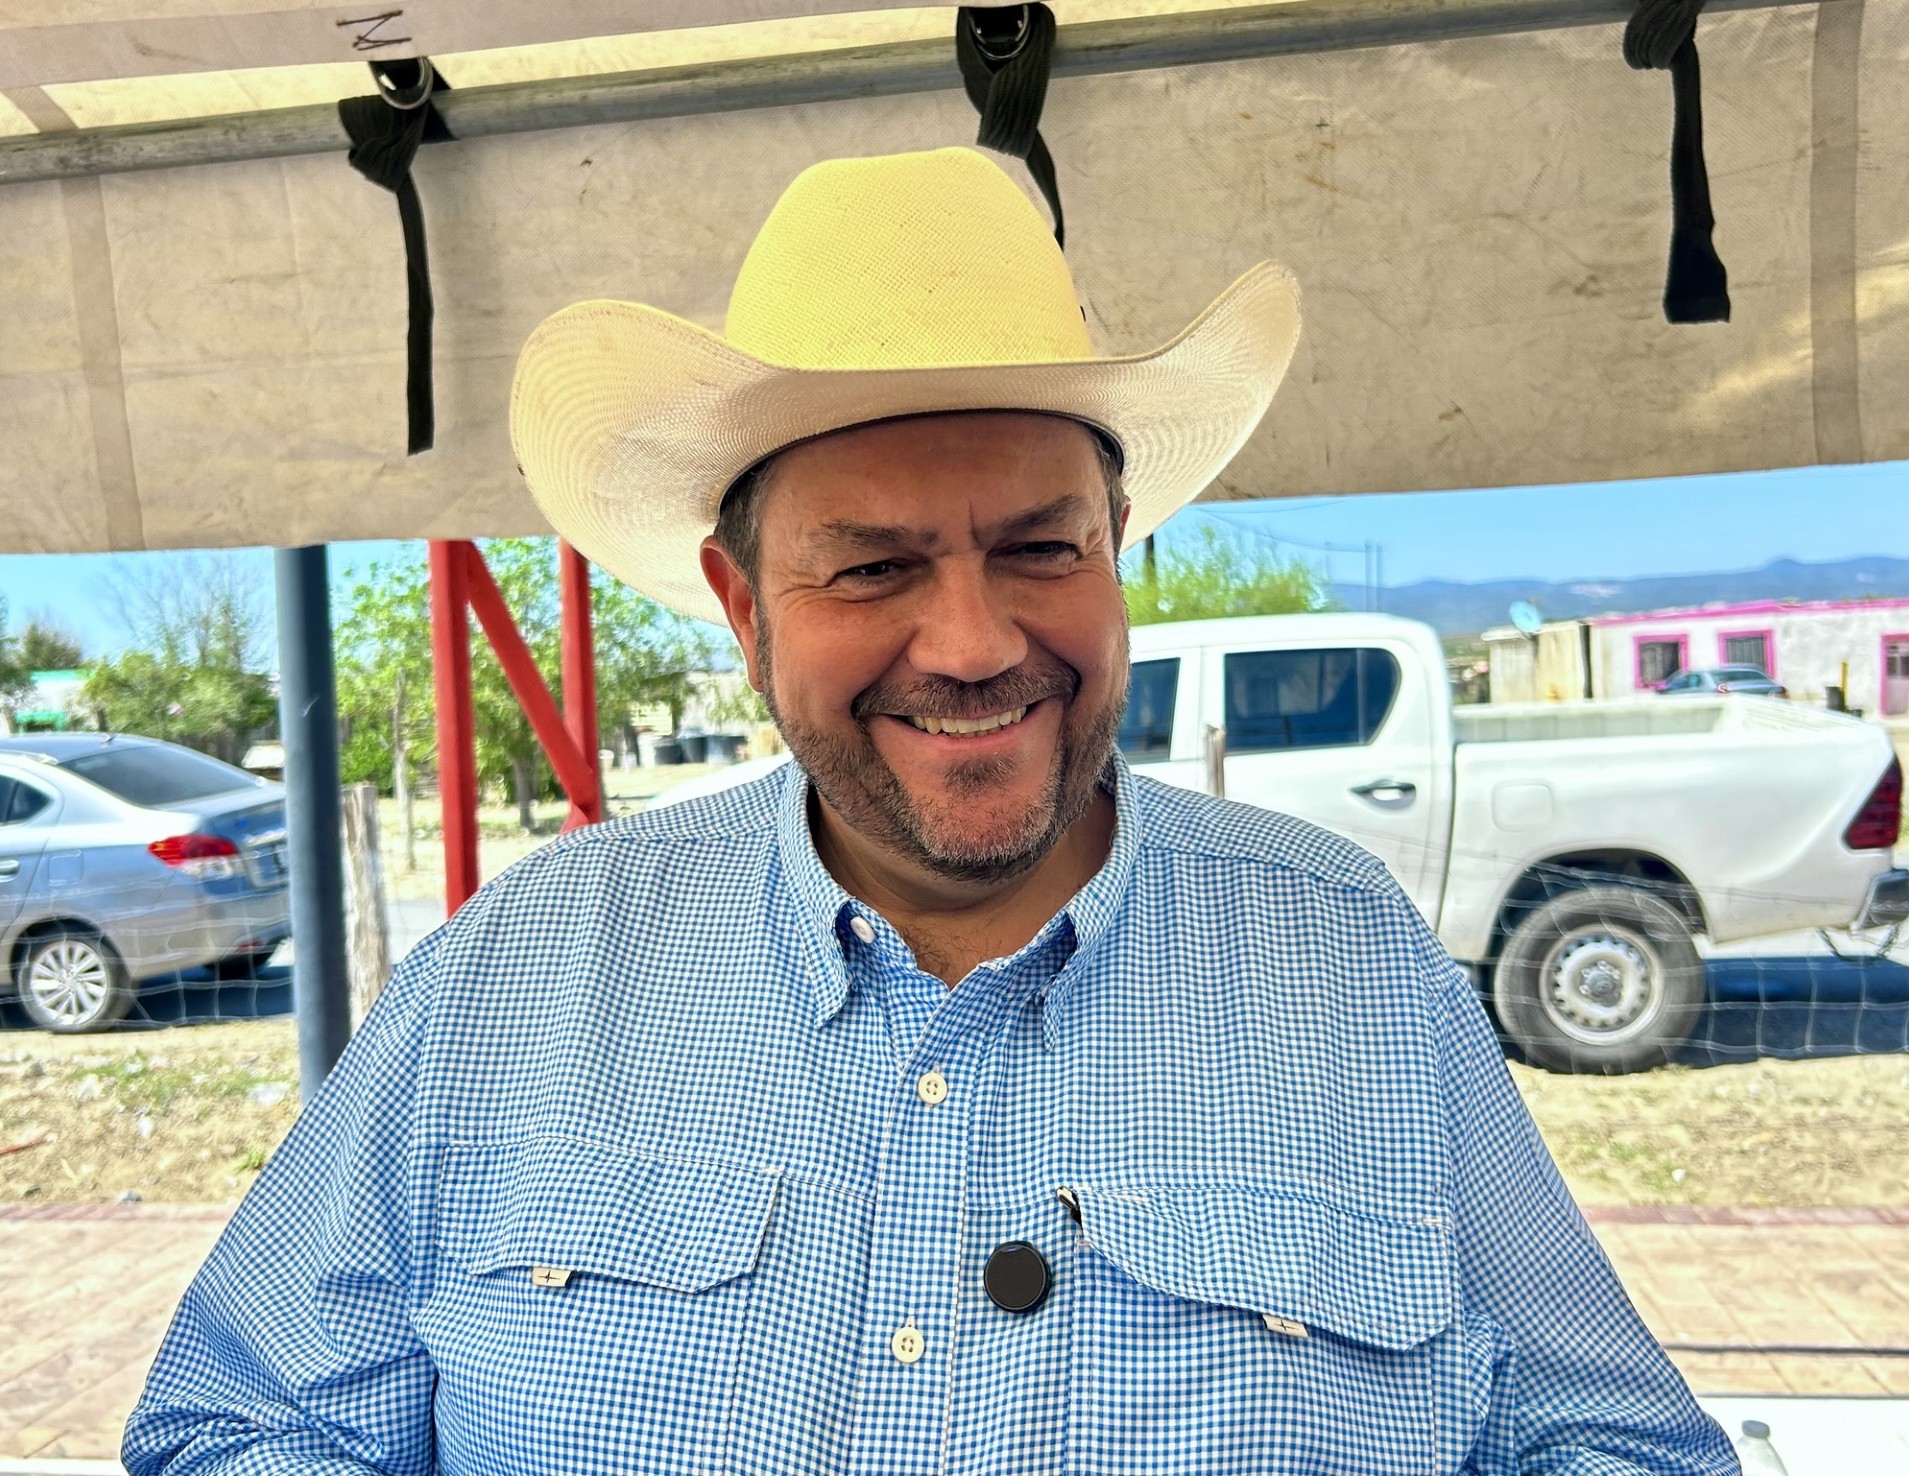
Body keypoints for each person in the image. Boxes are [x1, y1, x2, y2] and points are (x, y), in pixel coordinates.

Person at [124, 147, 1737, 1476]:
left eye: (1040, 548)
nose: (970, 645)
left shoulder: (1350, 962)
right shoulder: (521, 970)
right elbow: (243, 1426)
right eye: (873, 568)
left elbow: (1612, 1448)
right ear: (742, 608)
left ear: (1117, 552)